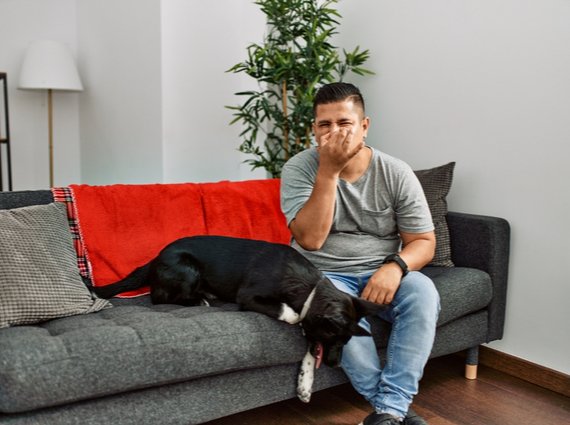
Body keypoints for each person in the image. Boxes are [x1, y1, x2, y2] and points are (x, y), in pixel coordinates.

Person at [280, 82, 440, 425]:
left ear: (364, 126)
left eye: (344, 123)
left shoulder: (395, 171)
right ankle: (392, 410)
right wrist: (329, 171)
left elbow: (424, 241)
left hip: (381, 270)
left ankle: (388, 412)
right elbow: (310, 240)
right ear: (314, 130)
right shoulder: (300, 168)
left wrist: (396, 266)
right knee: (332, 307)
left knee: (424, 292)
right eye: (324, 125)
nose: (334, 132)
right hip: (321, 275)